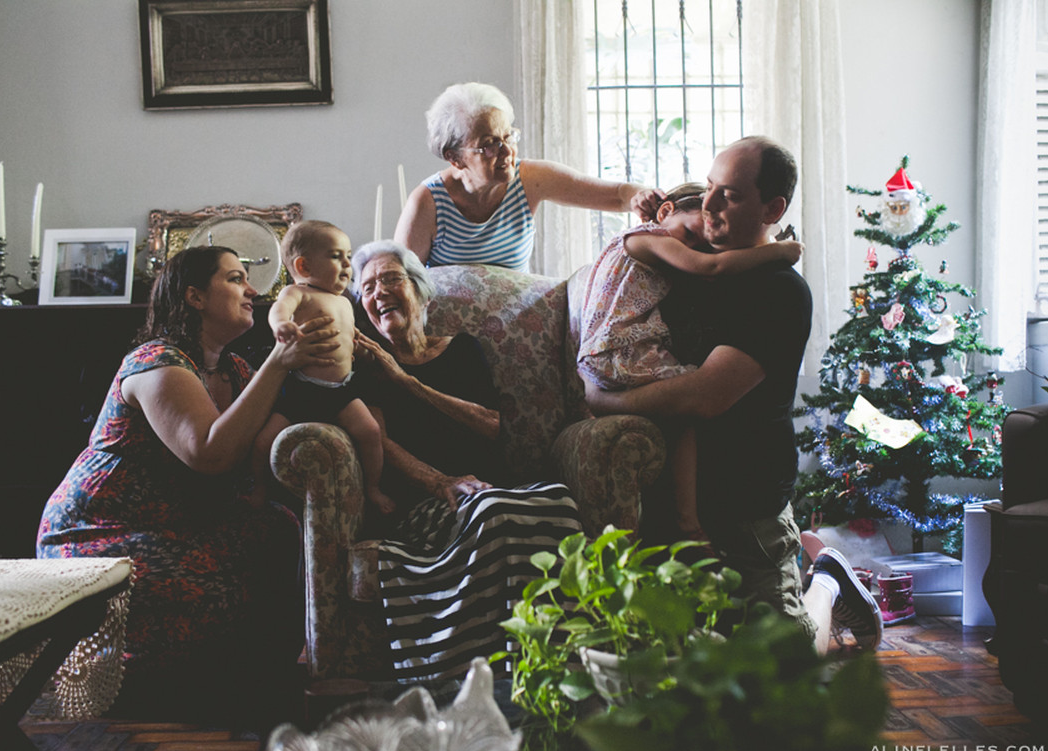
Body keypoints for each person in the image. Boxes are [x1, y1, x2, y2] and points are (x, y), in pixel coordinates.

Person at [582, 136, 882, 654]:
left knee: (785, 659)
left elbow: (705, 398)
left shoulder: (779, 291)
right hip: (676, 499)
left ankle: (828, 581)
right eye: (711, 189)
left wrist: (605, 401)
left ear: (773, 208)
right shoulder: (684, 266)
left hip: (748, 502)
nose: (712, 206)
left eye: (731, 196)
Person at [37, 246, 340, 717]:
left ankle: (261, 676)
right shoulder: (156, 362)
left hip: (181, 523)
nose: (253, 291)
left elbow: (264, 435)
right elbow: (209, 454)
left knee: (278, 528)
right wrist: (279, 363)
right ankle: (160, 687)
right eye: (237, 278)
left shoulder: (237, 371)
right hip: (104, 529)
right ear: (195, 296)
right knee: (207, 590)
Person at [349, 239, 585, 682]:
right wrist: (441, 482)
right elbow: (379, 442)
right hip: (424, 504)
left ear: (418, 290)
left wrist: (408, 382)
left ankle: (557, 670)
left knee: (557, 501)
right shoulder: (366, 367)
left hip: (488, 488)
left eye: (390, 279)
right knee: (493, 511)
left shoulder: (461, 349)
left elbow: (491, 425)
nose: (378, 292)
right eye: (367, 288)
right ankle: (475, 679)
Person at [577, 181, 804, 538]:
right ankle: (689, 522)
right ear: (665, 212)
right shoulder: (644, 239)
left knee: (682, 410)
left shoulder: (655, 252)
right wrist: (779, 251)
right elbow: (709, 267)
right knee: (683, 412)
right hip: (617, 350)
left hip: (606, 353)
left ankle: (688, 520)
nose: (694, 247)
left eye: (700, 244)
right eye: (691, 232)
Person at [394, 81, 663, 271]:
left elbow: (617, 195)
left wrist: (640, 198)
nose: (507, 151)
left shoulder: (529, 179)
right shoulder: (427, 202)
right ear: (455, 157)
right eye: (489, 144)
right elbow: (398, 280)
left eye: (508, 136)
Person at [252, 221, 395, 514]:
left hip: (342, 389)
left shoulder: (344, 301)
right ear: (304, 266)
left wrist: (358, 350)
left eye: (348, 255)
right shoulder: (298, 292)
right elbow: (278, 310)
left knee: (370, 433)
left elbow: (348, 337)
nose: (347, 264)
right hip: (301, 388)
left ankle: (374, 489)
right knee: (264, 441)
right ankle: (257, 488)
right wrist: (282, 326)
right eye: (335, 256)